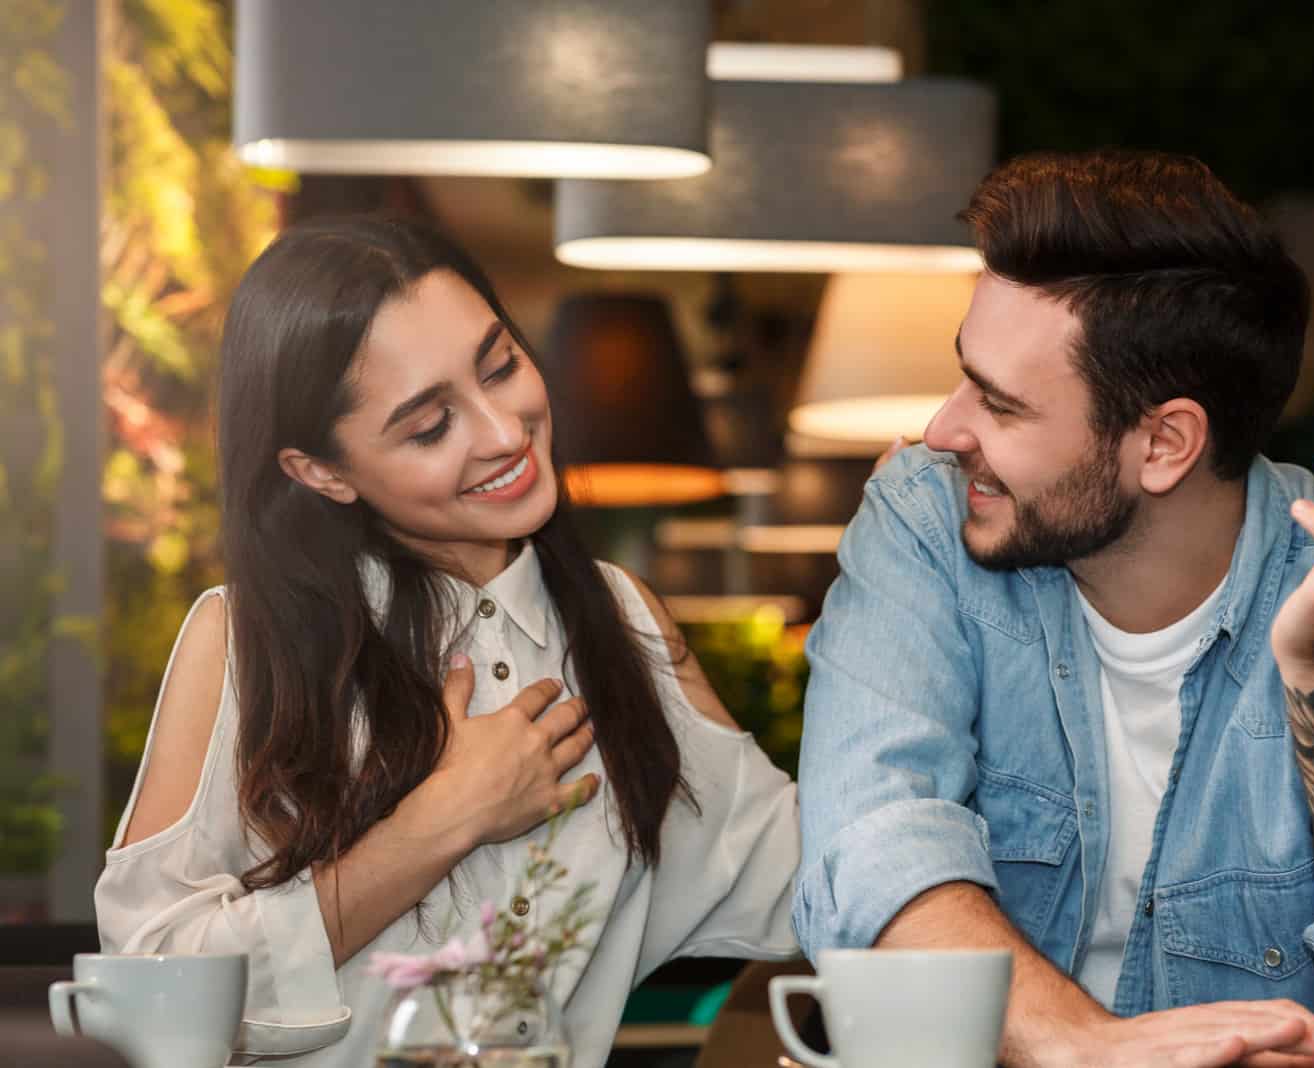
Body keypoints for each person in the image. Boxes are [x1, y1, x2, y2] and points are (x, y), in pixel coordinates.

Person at [794, 149, 1314, 1068]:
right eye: (963, 377)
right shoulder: (926, 522)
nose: (943, 430)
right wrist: (1093, 1048)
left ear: (1165, 444)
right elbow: (872, 848)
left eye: (1001, 405)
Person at [95, 217, 800, 1067]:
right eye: (430, 427)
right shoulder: (245, 640)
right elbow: (144, 993)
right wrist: (439, 822)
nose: (504, 433)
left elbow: (803, 886)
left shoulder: (620, 623)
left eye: (500, 367)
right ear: (322, 472)